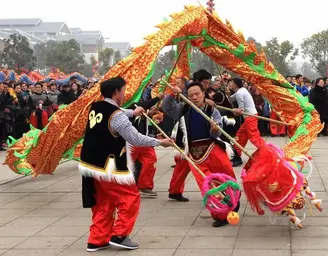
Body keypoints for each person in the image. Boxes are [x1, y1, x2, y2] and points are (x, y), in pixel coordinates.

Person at [79, 77, 173, 252]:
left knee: (103, 202)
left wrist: (134, 112)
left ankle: (97, 239)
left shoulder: (97, 107)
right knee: (130, 197)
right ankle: (120, 235)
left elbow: (119, 112)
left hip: (91, 165)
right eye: (123, 90)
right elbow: (135, 138)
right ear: (116, 92)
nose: (124, 93)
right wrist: (160, 142)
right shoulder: (117, 116)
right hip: (109, 165)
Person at [162, 82, 239, 227]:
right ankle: (220, 214)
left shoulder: (211, 109)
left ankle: (234, 201)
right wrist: (173, 93)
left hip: (213, 148)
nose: (194, 97)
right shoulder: (183, 109)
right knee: (207, 185)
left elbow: (217, 133)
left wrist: (214, 128)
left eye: (197, 94)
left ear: (204, 94)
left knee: (226, 177)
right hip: (194, 154)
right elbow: (166, 107)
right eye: (191, 95)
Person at [228, 78, 265, 161]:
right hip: (251, 116)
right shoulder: (242, 90)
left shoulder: (239, 93)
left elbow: (241, 110)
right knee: (240, 135)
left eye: (231, 82)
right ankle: (236, 156)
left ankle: (267, 152)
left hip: (250, 117)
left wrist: (234, 111)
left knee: (254, 138)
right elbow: (231, 99)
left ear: (236, 84)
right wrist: (228, 94)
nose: (229, 84)